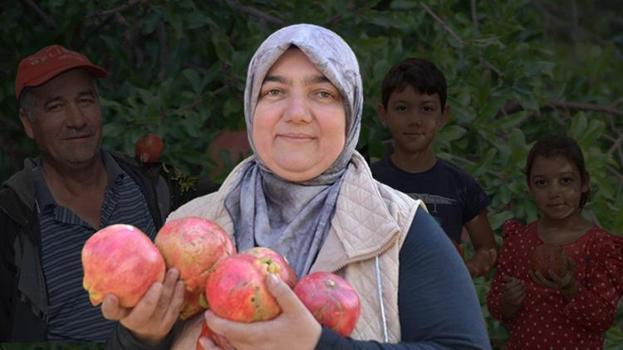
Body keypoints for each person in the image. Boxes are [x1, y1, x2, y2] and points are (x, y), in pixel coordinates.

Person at [104, 23, 492, 349]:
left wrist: (318, 345)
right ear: (251, 109)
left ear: (350, 113)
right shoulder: (188, 225)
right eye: (274, 92)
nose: (296, 114)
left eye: (322, 93)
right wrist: (141, 335)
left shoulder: (400, 229)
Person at [0, 44, 208, 342]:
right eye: (55, 106)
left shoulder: (154, 183)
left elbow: (228, 196)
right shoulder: (10, 218)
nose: (77, 119)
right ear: (28, 123)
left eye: (85, 100)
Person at [486, 135, 623, 349]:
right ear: (529, 187)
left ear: (584, 182)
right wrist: (507, 302)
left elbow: (602, 318)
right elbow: (495, 305)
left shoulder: (600, 246)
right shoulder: (518, 241)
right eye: (542, 183)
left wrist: (570, 287)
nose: (554, 192)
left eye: (566, 180)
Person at [369, 58, 497, 278]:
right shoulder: (368, 181)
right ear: (383, 114)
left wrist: (467, 270)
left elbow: (487, 249)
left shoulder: (461, 185)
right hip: (380, 304)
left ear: (443, 116)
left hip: (441, 303)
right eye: (402, 108)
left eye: (427, 109)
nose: (414, 120)